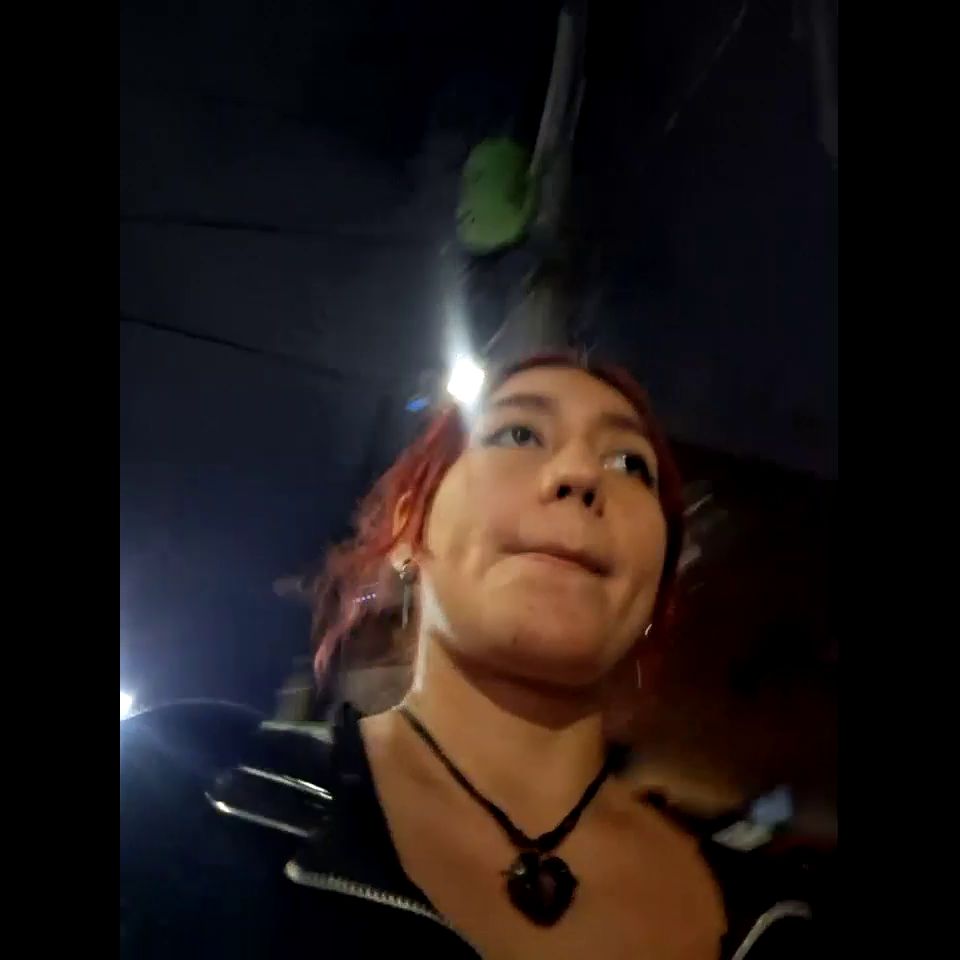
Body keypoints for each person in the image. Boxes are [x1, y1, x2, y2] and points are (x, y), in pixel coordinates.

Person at [120, 352, 822, 959]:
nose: (580, 474)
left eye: (629, 464)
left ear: (657, 586)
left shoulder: (782, 921)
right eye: (518, 432)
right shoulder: (189, 785)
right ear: (408, 528)